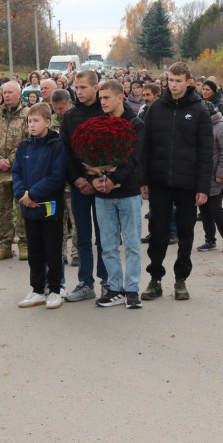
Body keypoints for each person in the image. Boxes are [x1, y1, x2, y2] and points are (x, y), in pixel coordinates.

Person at [140, 62, 213, 301]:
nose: (174, 85)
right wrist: (144, 179)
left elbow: (205, 152)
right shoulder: (156, 108)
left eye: (178, 81)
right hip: (160, 181)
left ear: (188, 82)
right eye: (170, 80)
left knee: (185, 233)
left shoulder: (200, 110)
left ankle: (181, 279)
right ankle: (155, 279)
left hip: (188, 184)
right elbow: (146, 147)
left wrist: (203, 187)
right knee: (158, 232)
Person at [92, 80, 146, 308]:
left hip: (128, 192)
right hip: (103, 195)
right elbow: (90, 153)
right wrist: (93, 176)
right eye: (100, 98)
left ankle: (132, 289)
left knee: (132, 244)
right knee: (108, 244)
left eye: (106, 98)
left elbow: (134, 158)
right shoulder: (97, 124)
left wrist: (115, 179)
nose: (102, 102)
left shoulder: (136, 124)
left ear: (119, 97)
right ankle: (114, 288)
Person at [60, 70, 110, 301]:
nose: (78, 92)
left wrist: (98, 178)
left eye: (83, 87)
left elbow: (115, 149)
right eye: (76, 88)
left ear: (95, 88)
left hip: (103, 185)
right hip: (79, 186)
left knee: (104, 236)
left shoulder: (107, 112)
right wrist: (78, 179)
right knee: (82, 235)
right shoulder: (70, 117)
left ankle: (107, 280)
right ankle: (85, 283)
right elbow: (65, 153)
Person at [12, 103, 67, 310]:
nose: (31, 125)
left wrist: (33, 193)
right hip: (29, 207)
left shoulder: (57, 146)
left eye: (36, 121)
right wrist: (22, 194)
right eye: (29, 121)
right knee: (34, 250)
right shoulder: (24, 146)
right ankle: (36, 289)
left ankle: (54, 289)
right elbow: (16, 172)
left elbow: (56, 176)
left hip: (49, 207)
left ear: (47, 122)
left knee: (52, 250)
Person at [0, 81, 30, 260]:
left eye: (11, 92)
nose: (7, 96)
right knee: (2, 209)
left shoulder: (27, 114)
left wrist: (11, 159)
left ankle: (24, 244)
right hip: (1, 171)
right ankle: (4, 245)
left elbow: (28, 139)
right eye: (5, 93)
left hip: (20, 170)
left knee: (22, 209)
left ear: (19, 95)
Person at [196, 100, 223, 253]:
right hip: (201, 175)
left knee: (215, 208)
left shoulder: (221, 127)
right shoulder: (199, 126)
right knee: (203, 209)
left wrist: (221, 174)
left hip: (215, 176)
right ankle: (209, 239)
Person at [50, 88, 78, 268]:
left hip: (73, 179)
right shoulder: (50, 123)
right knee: (57, 222)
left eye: (61, 108)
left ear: (69, 103)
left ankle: (76, 252)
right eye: (55, 108)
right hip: (56, 182)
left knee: (77, 221)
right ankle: (60, 253)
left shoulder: (76, 119)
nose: (58, 112)